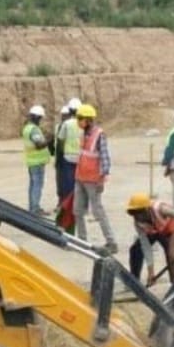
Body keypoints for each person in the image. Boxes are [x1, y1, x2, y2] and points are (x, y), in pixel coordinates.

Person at [73, 103, 117, 254]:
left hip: (93, 180)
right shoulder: (83, 135)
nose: (79, 121)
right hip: (80, 177)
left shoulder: (99, 135)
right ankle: (82, 241)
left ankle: (111, 242)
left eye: (81, 118)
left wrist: (102, 178)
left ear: (89, 120)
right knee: (78, 210)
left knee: (98, 211)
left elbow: (105, 157)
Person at [126, 193, 174, 286]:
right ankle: (134, 282)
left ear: (146, 210)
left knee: (171, 255)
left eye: (139, 213)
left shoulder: (162, 210)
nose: (138, 217)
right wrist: (151, 272)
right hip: (154, 231)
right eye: (134, 213)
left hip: (169, 228)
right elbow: (146, 247)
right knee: (135, 250)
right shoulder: (138, 223)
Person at [22, 104, 51, 215]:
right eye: (40, 118)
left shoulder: (27, 128)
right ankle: (35, 209)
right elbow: (39, 145)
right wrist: (49, 139)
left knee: (33, 185)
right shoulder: (33, 129)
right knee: (37, 186)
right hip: (36, 162)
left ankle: (32, 207)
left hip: (32, 161)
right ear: (37, 117)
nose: (40, 120)